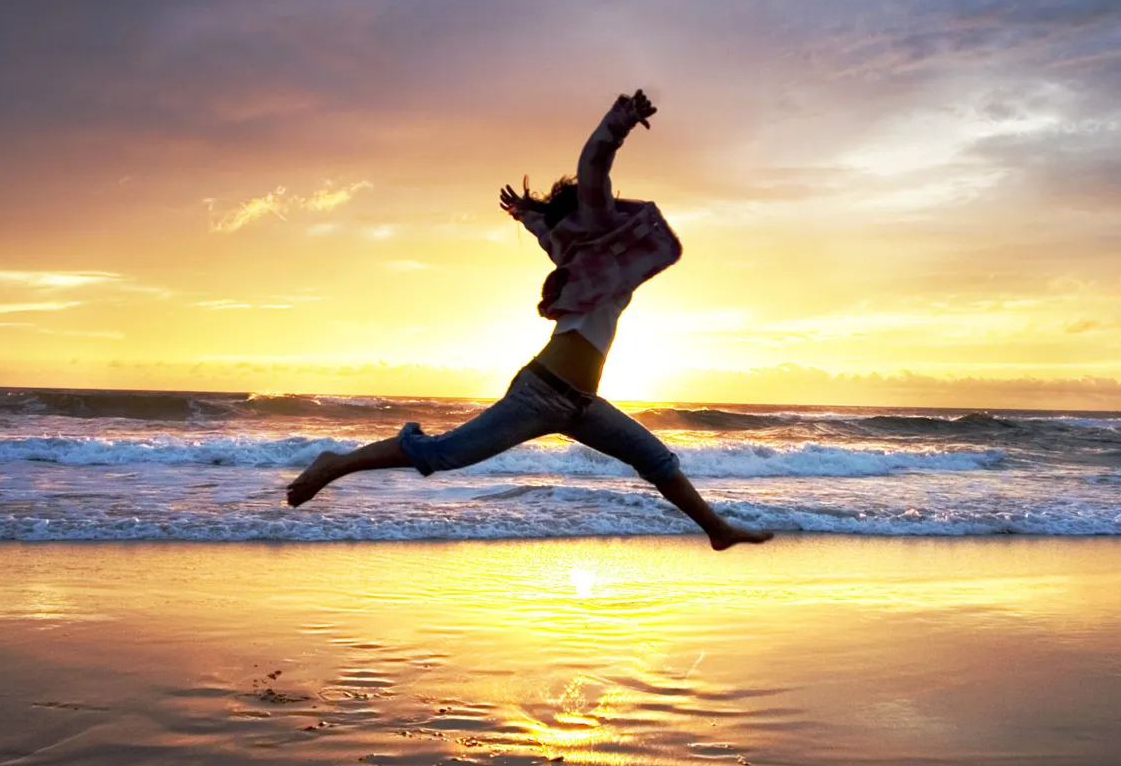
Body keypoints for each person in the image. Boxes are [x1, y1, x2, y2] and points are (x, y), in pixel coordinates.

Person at [287, 89, 772, 551]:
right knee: (440, 454)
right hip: (541, 394)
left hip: (580, 402)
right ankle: (334, 464)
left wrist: (523, 212)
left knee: (656, 460)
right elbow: (594, 163)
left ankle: (717, 530)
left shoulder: (576, 252)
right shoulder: (588, 232)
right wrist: (621, 119)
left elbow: (544, 227)